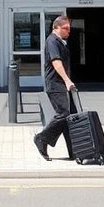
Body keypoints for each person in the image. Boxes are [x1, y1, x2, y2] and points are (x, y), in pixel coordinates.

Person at [33, 15, 75, 161]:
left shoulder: (60, 42)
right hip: (55, 84)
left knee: (68, 117)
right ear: (56, 27)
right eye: (66, 28)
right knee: (63, 113)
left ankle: (74, 150)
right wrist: (67, 80)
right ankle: (42, 138)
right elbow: (56, 63)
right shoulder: (52, 41)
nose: (69, 31)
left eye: (70, 28)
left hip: (61, 84)